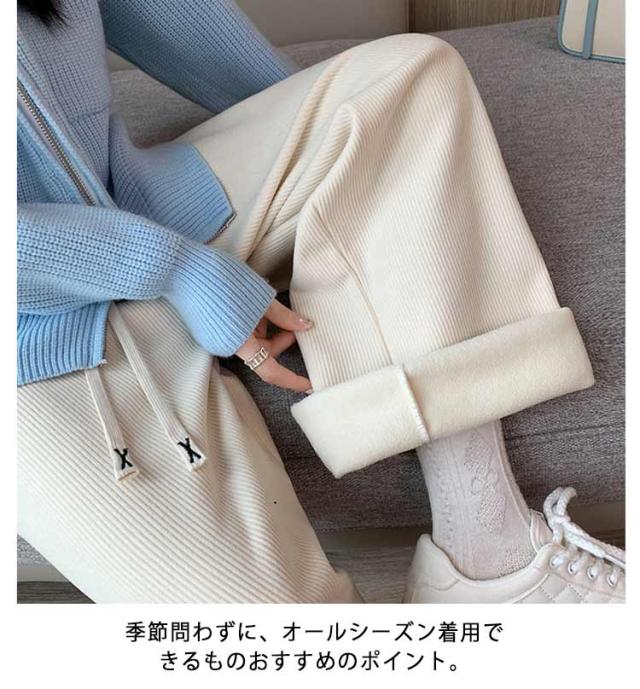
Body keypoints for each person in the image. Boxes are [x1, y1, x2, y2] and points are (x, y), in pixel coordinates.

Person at [17, 0, 625, 603]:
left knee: (401, 87)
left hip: (137, 204)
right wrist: (173, 269)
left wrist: (334, 148)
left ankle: (486, 554)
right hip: (31, 337)